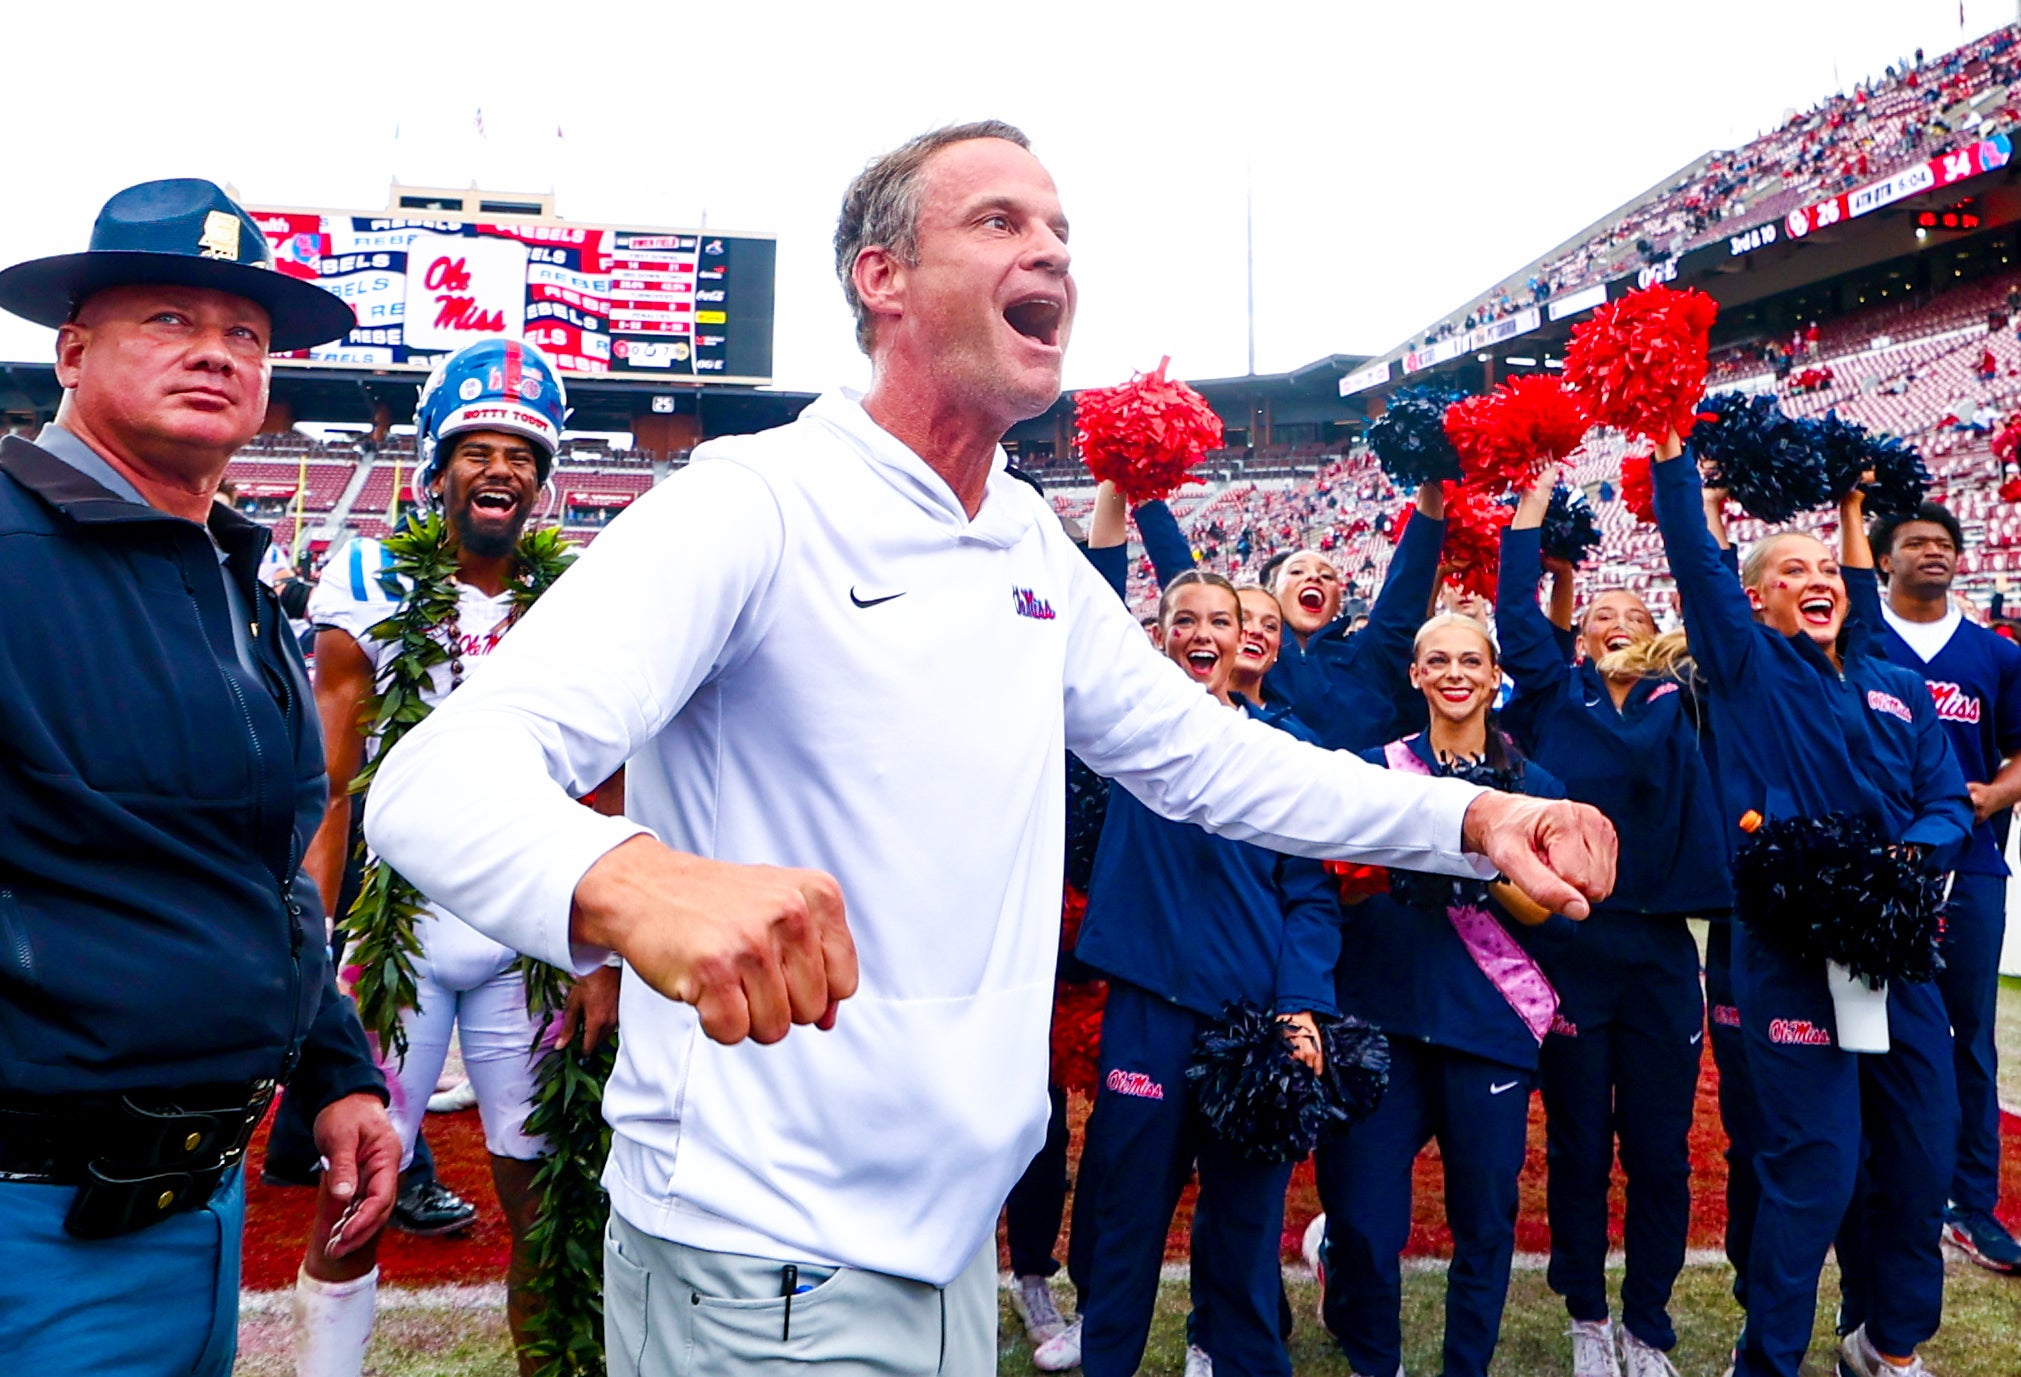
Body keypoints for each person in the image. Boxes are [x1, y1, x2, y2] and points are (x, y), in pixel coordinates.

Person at [362, 121, 1617, 1375]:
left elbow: (1206, 758)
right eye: (1002, 223)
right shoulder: (751, 501)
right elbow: (434, 779)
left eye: (1061, 232)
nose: (1053, 257)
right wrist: (630, 877)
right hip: (766, 1246)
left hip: (950, 1234)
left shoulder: (1021, 535)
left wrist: (1466, 823)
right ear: (882, 277)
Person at [0, 177, 398, 1374]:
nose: (215, 353)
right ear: (73, 351)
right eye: (169, 320)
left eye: (246, 336)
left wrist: (332, 1065)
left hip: (199, 1201)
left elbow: (254, 867)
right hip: (35, 1215)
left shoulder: (238, 577)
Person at [291, 339, 621, 1377]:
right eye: (477, 449)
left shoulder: (579, 599)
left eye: (522, 454)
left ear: (544, 478)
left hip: (530, 933)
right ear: (437, 469)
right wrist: (307, 950)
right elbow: (327, 784)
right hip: (401, 933)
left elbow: (599, 780)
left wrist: (601, 954)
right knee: (354, 1184)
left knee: (546, 1194)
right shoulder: (369, 584)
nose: (500, 469)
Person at [1649, 435, 1970, 1377]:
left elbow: (1948, 799)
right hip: (1787, 953)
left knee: (1919, 1159)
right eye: (1791, 570)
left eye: (1826, 566)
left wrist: (1906, 856)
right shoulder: (1747, 668)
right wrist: (1676, 456)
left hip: (1896, 951)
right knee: (1815, 1170)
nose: (1814, 578)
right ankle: (1769, 1359)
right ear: (1757, 600)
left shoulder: (1897, 687)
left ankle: (1888, 1342)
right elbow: (1694, 560)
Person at [1067, 569, 1338, 1377]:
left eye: (1219, 620)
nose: (1202, 634)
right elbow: (1094, 596)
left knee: (1245, 1237)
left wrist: (1297, 1004)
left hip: (1252, 1029)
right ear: (1156, 636)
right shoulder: (1120, 737)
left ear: (1240, 638)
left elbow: (1311, 898)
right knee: (1124, 1225)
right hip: (1148, 1016)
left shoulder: (1282, 750)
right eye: (1182, 619)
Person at [1498, 471, 1731, 1377]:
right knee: (1579, 1146)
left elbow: (1715, 611)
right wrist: (1531, 499)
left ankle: (1647, 1322)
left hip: (1662, 952)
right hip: (1573, 945)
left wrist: (1703, 516)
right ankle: (1587, 1315)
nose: (1616, 619)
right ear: (1581, 635)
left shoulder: (1691, 702)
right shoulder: (1555, 697)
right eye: (1599, 612)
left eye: (1632, 608)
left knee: (1661, 1151)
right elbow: (1517, 614)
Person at [1308, 613, 1570, 1377]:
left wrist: (1476, 862)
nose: (1454, 673)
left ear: (1495, 677)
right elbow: (1334, 893)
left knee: (1484, 1221)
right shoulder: (1373, 769)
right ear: (1415, 675)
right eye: (1436, 660)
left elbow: (1551, 916)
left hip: (1484, 1026)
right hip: (1376, 1020)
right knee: (1359, 1219)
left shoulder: (1536, 787)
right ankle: (1372, 1361)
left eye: (1470, 661)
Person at [1842, 501, 2021, 1274]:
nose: (1934, 552)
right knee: (1861, 1029)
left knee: (1968, 1038)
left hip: (1969, 866)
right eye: (1915, 541)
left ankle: (1970, 1204)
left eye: (1945, 542)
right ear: (1883, 559)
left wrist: (1987, 796)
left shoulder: (1996, 654)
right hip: (1866, 867)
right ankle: (1868, 1182)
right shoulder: (1856, 639)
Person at [1266, 482, 1448, 750]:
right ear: (1272, 594)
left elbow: (1406, 588)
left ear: (1338, 599)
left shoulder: (1367, 652)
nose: (1314, 576)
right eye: (1296, 572)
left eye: (1327, 576)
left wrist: (1432, 479)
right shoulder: (1252, 657)